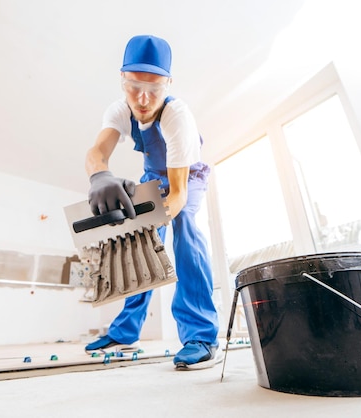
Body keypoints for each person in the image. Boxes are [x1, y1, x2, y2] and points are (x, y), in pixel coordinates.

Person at [84, 35, 219, 370]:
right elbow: (97, 152)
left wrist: (158, 219)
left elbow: (177, 194)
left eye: (155, 88)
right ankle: (125, 331)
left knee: (185, 232)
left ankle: (201, 335)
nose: (143, 99)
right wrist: (100, 175)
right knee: (139, 246)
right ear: (122, 79)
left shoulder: (177, 117)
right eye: (133, 86)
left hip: (185, 178)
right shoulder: (119, 110)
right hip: (153, 176)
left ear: (168, 84)